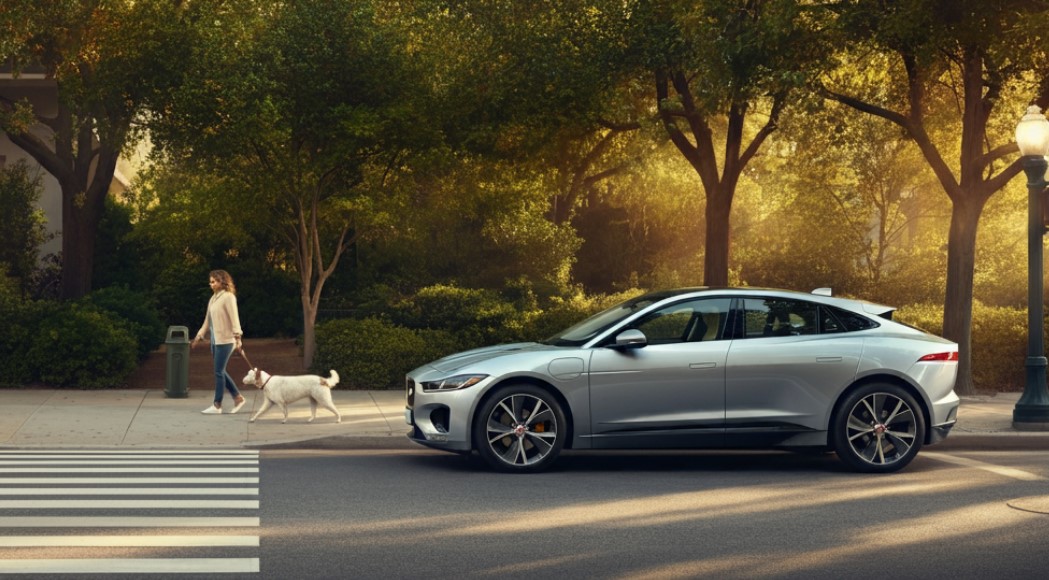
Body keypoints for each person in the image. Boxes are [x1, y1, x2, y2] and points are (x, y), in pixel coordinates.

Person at [191, 269, 247, 415]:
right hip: (215, 341)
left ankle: (217, 405)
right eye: (210, 282)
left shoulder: (228, 297)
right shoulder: (213, 298)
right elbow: (207, 321)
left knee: (218, 371)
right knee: (220, 371)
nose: (211, 284)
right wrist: (198, 336)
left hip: (227, 341)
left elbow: (235, 318)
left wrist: (238, 338)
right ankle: (238, 397)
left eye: (214, 281)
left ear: (222, 281)